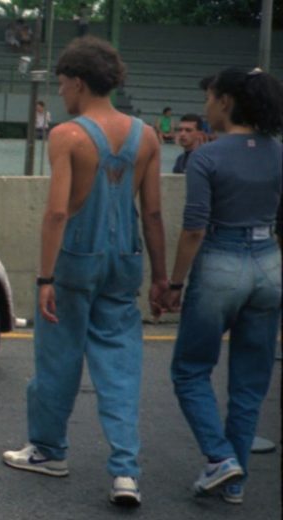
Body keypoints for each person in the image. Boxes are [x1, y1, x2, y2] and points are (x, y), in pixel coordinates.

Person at [2, 36, 167, 509]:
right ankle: (125, 471)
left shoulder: (68, 136)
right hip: (125, 259)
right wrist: (161, 277)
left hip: (76, 257)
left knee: (58, 359)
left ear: (77, 82)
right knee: (120, 365)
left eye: (61, 84)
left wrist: (44, 278)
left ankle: (49, 450)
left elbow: (58, 212)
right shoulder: (147, 137)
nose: (60, 93)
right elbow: (153, 214)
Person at [161, 67, 283, 505]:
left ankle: (219, 456)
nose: (207, 106)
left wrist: (175, 283)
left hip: (221, 261)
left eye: (210, 98)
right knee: (250, 382)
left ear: (226, 102)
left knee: (190, 369)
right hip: (268, 261)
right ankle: (235, 482)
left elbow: (194, 228)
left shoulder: (206, 157)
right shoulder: (278, 153)